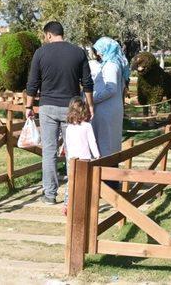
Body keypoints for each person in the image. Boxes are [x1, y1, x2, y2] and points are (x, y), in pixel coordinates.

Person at [26, 21, 94, 205]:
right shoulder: (78, 52)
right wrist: (90, 105)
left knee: (49, 151)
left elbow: (32, 83)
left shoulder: (40, 53)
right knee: (73, 151)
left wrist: (28, 106)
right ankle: (70, 197)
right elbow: (87, 82)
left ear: (48, 35)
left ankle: (49, 194)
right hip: (71, 108)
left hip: (47, 107)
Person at [91, 37, 130, 157]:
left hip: (106, 110)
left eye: (99, 49)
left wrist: (92, 99)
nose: (97, 53)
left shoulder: (111, 65)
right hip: (111, 108)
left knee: (105, 143)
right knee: (110, 141)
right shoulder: (117, 63)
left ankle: (104, 171)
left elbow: (111, 89)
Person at [62, 96, 99, 216]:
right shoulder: (87, 126)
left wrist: (68, 158)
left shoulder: (68, 128)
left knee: (71, 182)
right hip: (85, 158)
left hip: (72, 159)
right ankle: (84, 204)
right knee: (85, 182)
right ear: (84, 110)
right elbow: (92, 142)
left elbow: (67, 144)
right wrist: (97, 155)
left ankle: (67, 205)